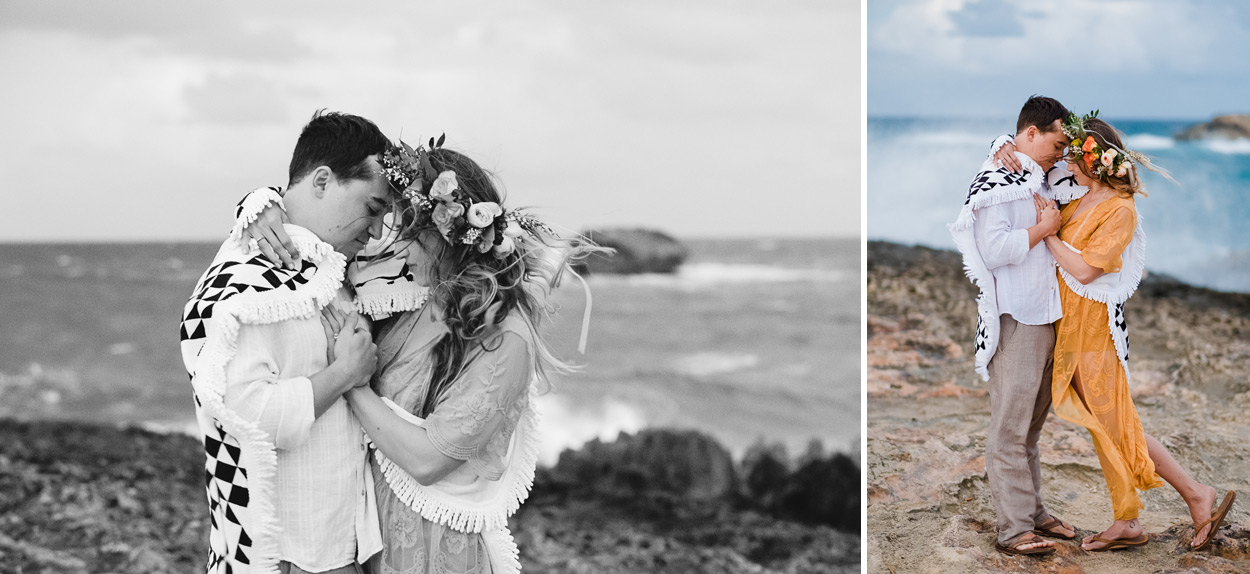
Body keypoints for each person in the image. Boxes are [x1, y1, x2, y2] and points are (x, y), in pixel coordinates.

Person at [241, 137, 598, 573]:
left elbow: (428, 460)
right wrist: (260, 205)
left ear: (442, 233)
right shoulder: (412, 298)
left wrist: (350, 379)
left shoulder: (505, 336)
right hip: (373, 545)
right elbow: (321, 208)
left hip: (439, 554)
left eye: (400, 227)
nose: (382, 241)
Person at [179, 110, 400, 574]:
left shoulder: (334, 267)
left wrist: (259, 199)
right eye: (374, 207)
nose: (378, 229)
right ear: (322, 181)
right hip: (286, 556)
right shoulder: (247, 279)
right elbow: (245, 416)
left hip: (347, 549)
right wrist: (345, 375)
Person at [1033, 113, 1236, 551]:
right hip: (1070, 326)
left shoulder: (1120, 210)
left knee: (1115, 424)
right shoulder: (1079, 198)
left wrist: (1048, 235)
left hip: (1094, 331)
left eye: (1073, 156)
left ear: (1094, 161)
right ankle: (1147, 511)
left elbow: (1085, 271)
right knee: (1112, 425)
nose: (1066, 163)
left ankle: (1176, 501)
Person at [949, 95, 1079, 556]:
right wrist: (1045, 228)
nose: (1063, 152)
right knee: (1009, 428)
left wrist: (1002, 141)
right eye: (1058, 142)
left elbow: (1100, 161)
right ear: (1030, 133)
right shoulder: (994, 178)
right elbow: (995, 249)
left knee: (1032, 428)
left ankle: (1035, 513)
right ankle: (1013, 529)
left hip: (1050, 316)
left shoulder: (1044, 175)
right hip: (1017, 317)